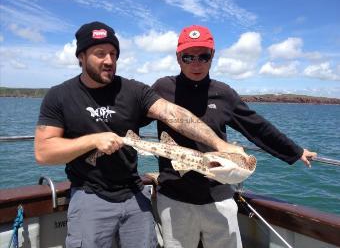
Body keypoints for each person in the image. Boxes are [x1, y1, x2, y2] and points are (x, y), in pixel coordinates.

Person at [34, 21, 246, 248]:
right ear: (81, 57)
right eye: (100, 53)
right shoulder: (59, 96)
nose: (109, 60)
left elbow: (171, 112)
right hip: (89, 194)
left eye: (113, 54)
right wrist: (92, 140)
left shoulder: (133, 90)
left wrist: (219, 145)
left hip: (134, 192)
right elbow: (44, 152)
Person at [151, 25, 317, 248]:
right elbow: (130, 116)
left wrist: (295, 151)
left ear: (213, 56)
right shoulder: (162, 88)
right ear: (178, 58)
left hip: (218, 195)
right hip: (174, 197)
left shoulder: (224, 93)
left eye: (204, 56)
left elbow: (256, 127)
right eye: (188, 56)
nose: (196, 63)